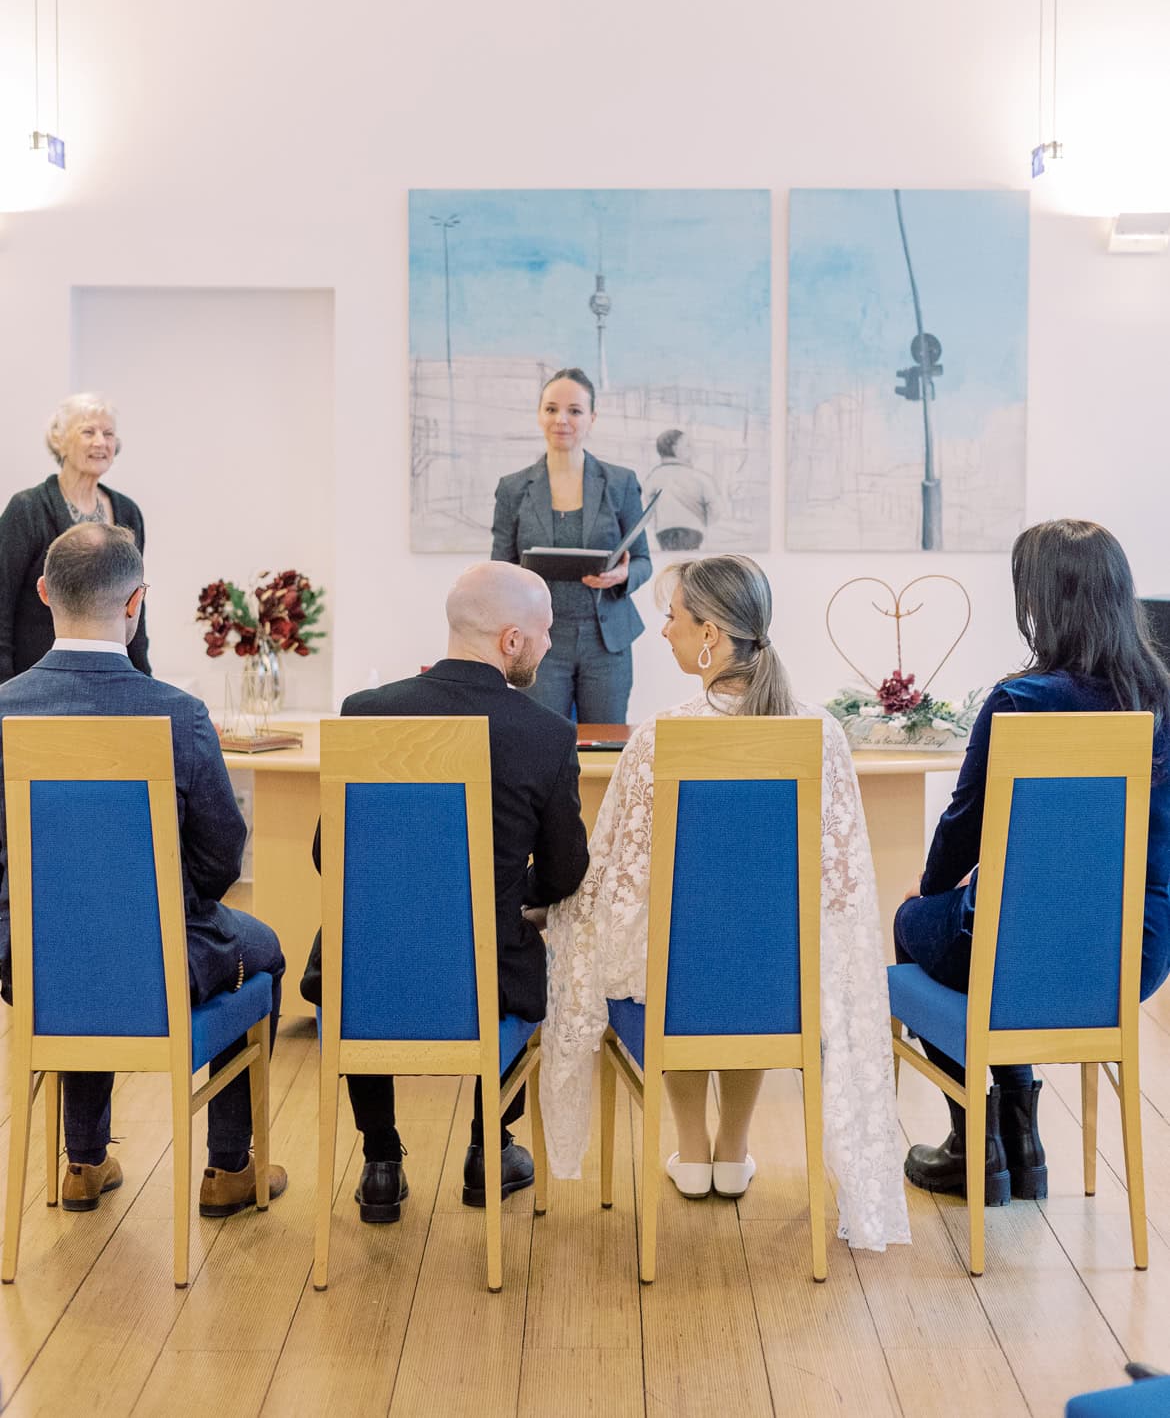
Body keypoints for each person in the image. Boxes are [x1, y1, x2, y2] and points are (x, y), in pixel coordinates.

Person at [540, 554, 910, 1252]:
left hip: (679, 993)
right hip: (779, 992)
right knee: (755, 951)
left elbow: (612, 875)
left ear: (710, 633)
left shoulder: (660, 737)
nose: (664, 633)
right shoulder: (820, 734)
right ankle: (732, 1153)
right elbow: (842, 882)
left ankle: (691, 1148)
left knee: (651, 949)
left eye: (672, 619)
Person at [0, 524, 287, 1217]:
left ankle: (84, 1160)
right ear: (137, 602)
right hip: (159, 960)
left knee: (80, 943)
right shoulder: (178, 714)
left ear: (43, 594)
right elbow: (220, 861)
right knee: (264, 949)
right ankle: (227, 1167)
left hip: (27, 963)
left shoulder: (4, 708)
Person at [300, 561, 590, 1224]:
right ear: (511, 640)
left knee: (367, 948)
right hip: (484, 977)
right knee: (517, 953)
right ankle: (491, 1148)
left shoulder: (366, 713)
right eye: (544, 633)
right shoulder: (544, 734)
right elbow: (566, 872)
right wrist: (509, 894)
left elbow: (328, 853)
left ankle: (379, 1160)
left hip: (363, 978)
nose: (549, 647)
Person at [896, 518, 1170, 1205]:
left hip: (1017, 949)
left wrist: (924, 897)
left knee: (919, 924)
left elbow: (962, 828)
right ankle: (1023, 1141)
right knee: (994, 929)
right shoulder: (1159, 700)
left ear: (1044, 603)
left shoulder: (1020, 701)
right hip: (1134, 952)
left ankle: (977, 1144)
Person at [491, 367, 651, 723]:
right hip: (539, 643)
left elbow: (642, 561)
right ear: (539, 415)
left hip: (606, 642)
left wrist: (623, 575)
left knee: (605, 744)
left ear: (591, 418)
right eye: (551, 409)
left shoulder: (620, 483)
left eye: (574, 411)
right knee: (541, 744)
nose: (561, 419)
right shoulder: (513, 488)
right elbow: (499, 570)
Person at [0, 393, 150, 685]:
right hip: (37, 684)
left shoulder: (127, 512)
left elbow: (136, 606)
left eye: (108, 433)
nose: (100, 442)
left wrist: (144, 681)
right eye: (87, 431)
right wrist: (5, 692)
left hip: (112, 681)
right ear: (60, 441)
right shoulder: (28, 509)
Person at [644, 428, 721, 551]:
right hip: (693, 530)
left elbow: (649, 508)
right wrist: (703, 523)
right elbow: (715, 510)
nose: (694, 450)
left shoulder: (654, 477)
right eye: (688, 446)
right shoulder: (700, 478)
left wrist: (657, 524)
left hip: (663, 531)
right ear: (676, 449)